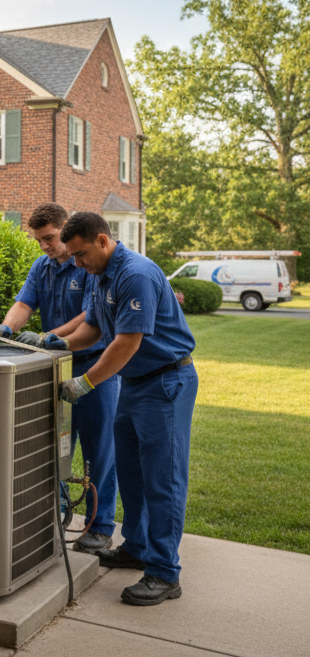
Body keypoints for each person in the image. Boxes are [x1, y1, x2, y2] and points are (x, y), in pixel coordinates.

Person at [57, 212, 198, 606]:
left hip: (165, 382)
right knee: (132, 473)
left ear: (103, 241)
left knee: (163, 479)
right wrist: (57, 343)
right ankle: (136, 546)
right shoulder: (97, 275)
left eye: (81, 254)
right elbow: (96, 328)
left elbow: (127, 342)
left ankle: (165, 573)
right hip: (134, 384)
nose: (77, 264)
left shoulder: (135, 273)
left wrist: (86, 382)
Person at [0, 203, 120, 553]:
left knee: (100, 452)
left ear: (65, 229)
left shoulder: (90, 267)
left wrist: (47, 336)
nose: (45, 246)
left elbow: (90, 317)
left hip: (95, 370)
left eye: (49, 238)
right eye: (39, 241)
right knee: (56, 448)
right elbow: (24, 304)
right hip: (55, 370)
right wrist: (7, 328)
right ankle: (57, 516)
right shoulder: (43, 267)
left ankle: (100, 526)